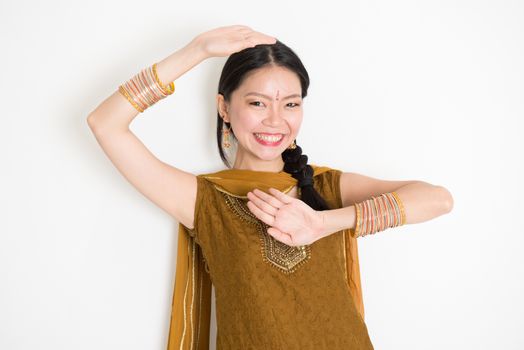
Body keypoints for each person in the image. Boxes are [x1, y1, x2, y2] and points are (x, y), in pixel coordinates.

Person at [87, 25, 454, 349]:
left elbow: (438, 199)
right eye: (257, 103)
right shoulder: (205, 200)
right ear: (224, 108)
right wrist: (194, 51)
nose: (276, 120)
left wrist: (323, 223)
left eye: (290, 104)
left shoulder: (326, 186)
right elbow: (105, 123)